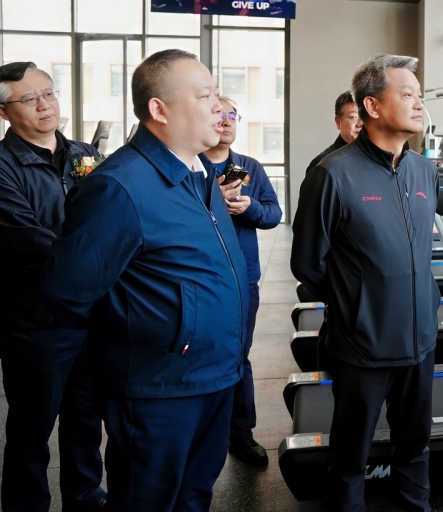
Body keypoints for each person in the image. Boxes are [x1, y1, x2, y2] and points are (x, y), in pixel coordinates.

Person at [39, 49, 248, 512]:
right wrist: (147, 336)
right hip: (160, 388)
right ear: (160, 109)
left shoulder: (201, 175)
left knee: (195, 496)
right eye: (205, 96)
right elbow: (67, 292)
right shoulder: (119, 186)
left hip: (215, 375)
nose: (220, 106)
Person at [292, 54, 439, 512]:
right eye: (408, 94)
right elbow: (307, 263)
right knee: (350, 458)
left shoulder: (424, 171)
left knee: (415, 449)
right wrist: (358, 304)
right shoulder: (331, 173)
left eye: (420, 95)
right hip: (362, 346)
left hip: (419, 342)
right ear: (372, 106)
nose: (420, 104)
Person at [0, 62, 106, 511]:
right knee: (31, 430)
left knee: (86, 422)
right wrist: (97, 258)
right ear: (4, 111)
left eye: (49, 92)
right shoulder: (4, 165)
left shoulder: (84, 153)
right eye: (29, 98)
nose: (44, 104)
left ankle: (86, 498)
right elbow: (26, 238)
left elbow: (111, 213)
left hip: (92, 315)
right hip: (35, 322)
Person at [205, 97, 283, 468]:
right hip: (201, 280)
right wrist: (212, 204)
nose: (225, 121)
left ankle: (241, 433)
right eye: (218, 114)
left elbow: (274, 214)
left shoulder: (250, 167)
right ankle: (202, 435)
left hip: (242, 280)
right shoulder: (190, 166)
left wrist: (250, 208)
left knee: (239, 354)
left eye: (231, 115)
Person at [306, 90, 363, 174]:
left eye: (365, 117)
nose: (360, 123)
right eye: (353, 117)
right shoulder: (323, 164)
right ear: (338, 122)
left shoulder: (375, 157)